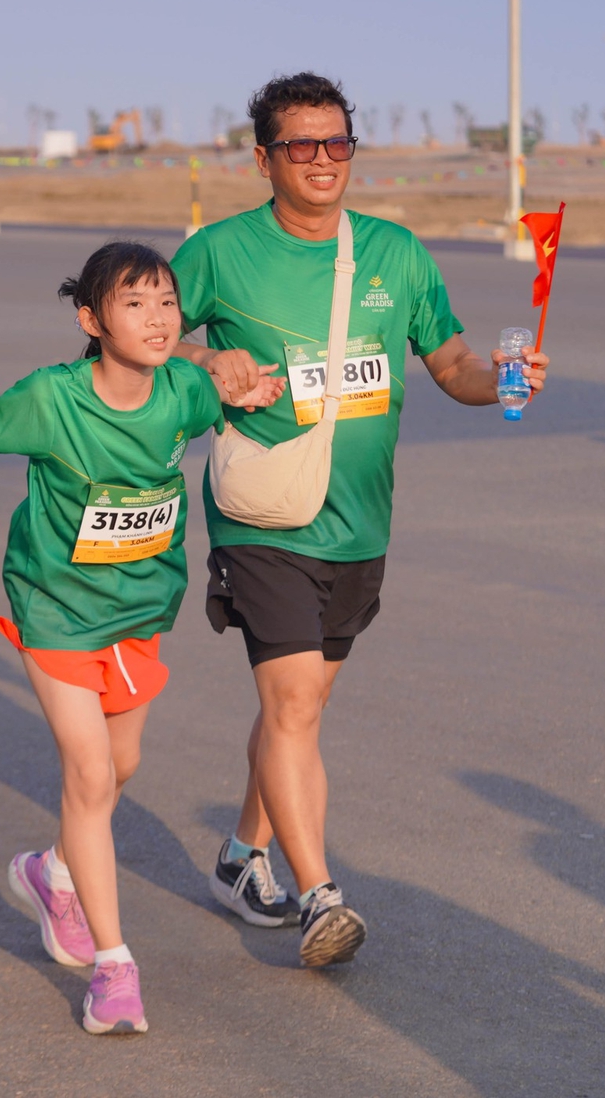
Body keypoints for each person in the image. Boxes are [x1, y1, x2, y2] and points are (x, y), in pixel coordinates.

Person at [169, 72, 550, 967]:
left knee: (299, 710)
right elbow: (132, 339)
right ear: (263, 159)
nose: (322, 159)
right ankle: (320, 898)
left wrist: (504, 378)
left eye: (337, 142)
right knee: (294, 702)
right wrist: (205, 359)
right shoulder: (217, 252)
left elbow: (451, 362)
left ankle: (240, 856)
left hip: (359, 524)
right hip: (263, 515)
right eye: (300, 145)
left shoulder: (396, 253)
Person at [0, 241, 283, 1035]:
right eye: (135, 303)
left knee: (120, 766)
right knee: (90, 775)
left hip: (138, 609)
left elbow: (227, 396)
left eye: (167, 302)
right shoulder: (50, 399)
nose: (158, 318)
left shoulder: (186, 394)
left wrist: (250, 387)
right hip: (55, 608)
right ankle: (115, 969)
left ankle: (53, 870)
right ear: (92, 320)